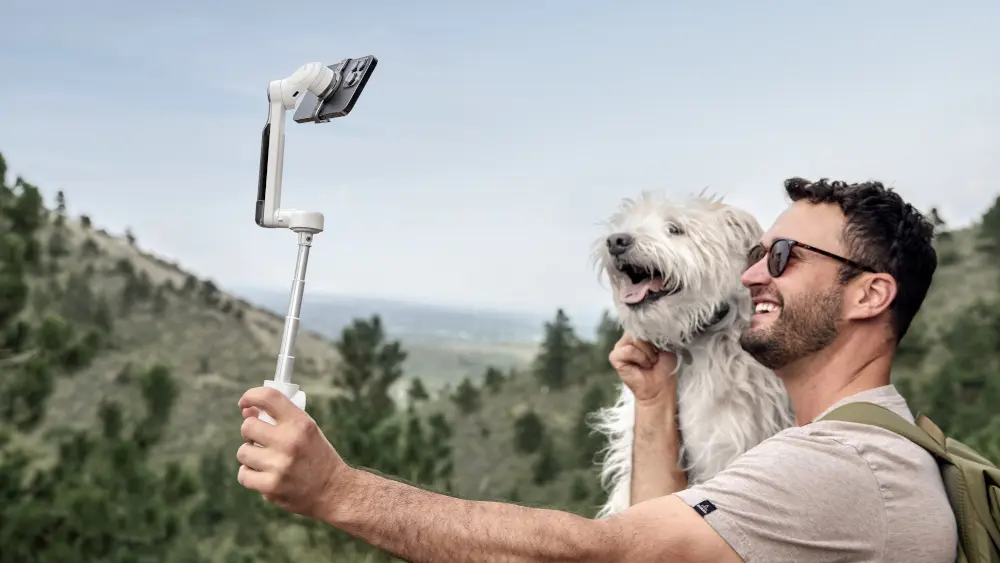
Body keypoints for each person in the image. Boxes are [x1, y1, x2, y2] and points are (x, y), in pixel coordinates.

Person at [235, 177, 958, 562]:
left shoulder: (838, 466)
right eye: (756, 254)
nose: (751, 277)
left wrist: (338, 491)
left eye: (782, 258)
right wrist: (652, 402)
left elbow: (605, 557)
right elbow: (654, 532)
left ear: (870, 293)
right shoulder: (849, 444)